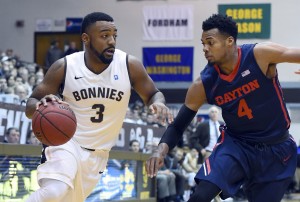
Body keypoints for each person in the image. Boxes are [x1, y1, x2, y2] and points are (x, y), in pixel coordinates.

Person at [146, 13, 300, 202]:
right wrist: (160, 151)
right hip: (237, 146)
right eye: (203, 43)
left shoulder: (259, 55)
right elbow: (178, 125)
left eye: (210, 43)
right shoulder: (203, 83)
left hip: (277, 147)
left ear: (229, 41)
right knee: (200, 196)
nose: (205, 48)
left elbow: (294, 53)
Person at [25, 12, 172, 202]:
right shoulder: (65, 66)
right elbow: (30, 104)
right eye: (104, 36)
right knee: (55, 191)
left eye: (114, 36)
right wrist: (39, 106)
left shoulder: (129, 65)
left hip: (99, 155)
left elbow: (153, 93)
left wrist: (158, 103)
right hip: (66, 142)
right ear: (86, 39)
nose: (111, 41)